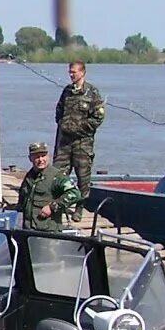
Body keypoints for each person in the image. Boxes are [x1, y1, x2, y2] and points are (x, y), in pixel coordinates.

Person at [54, 61, 105, 218]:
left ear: (83, 72)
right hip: (64, 142)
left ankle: (79, 207)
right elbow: (59, 111)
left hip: (82, 143)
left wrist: (80, 128)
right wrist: (63, 125)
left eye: (74, 72)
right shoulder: (67, 91)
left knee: (83, 176)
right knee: (58, 174)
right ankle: (60, 204)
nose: (71, 75)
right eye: (70, 72)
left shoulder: (92, 92)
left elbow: (98, 117)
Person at [16, 141, 80, 231]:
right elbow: (22, 199)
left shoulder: (57, 176)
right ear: (30, 158)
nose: (41, 160)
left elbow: (75, 193)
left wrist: (52, 207)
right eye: (36, 157)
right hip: (28, 229)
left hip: (48, 231)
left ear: (48, 156)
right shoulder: (30, 176)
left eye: (43, 156)